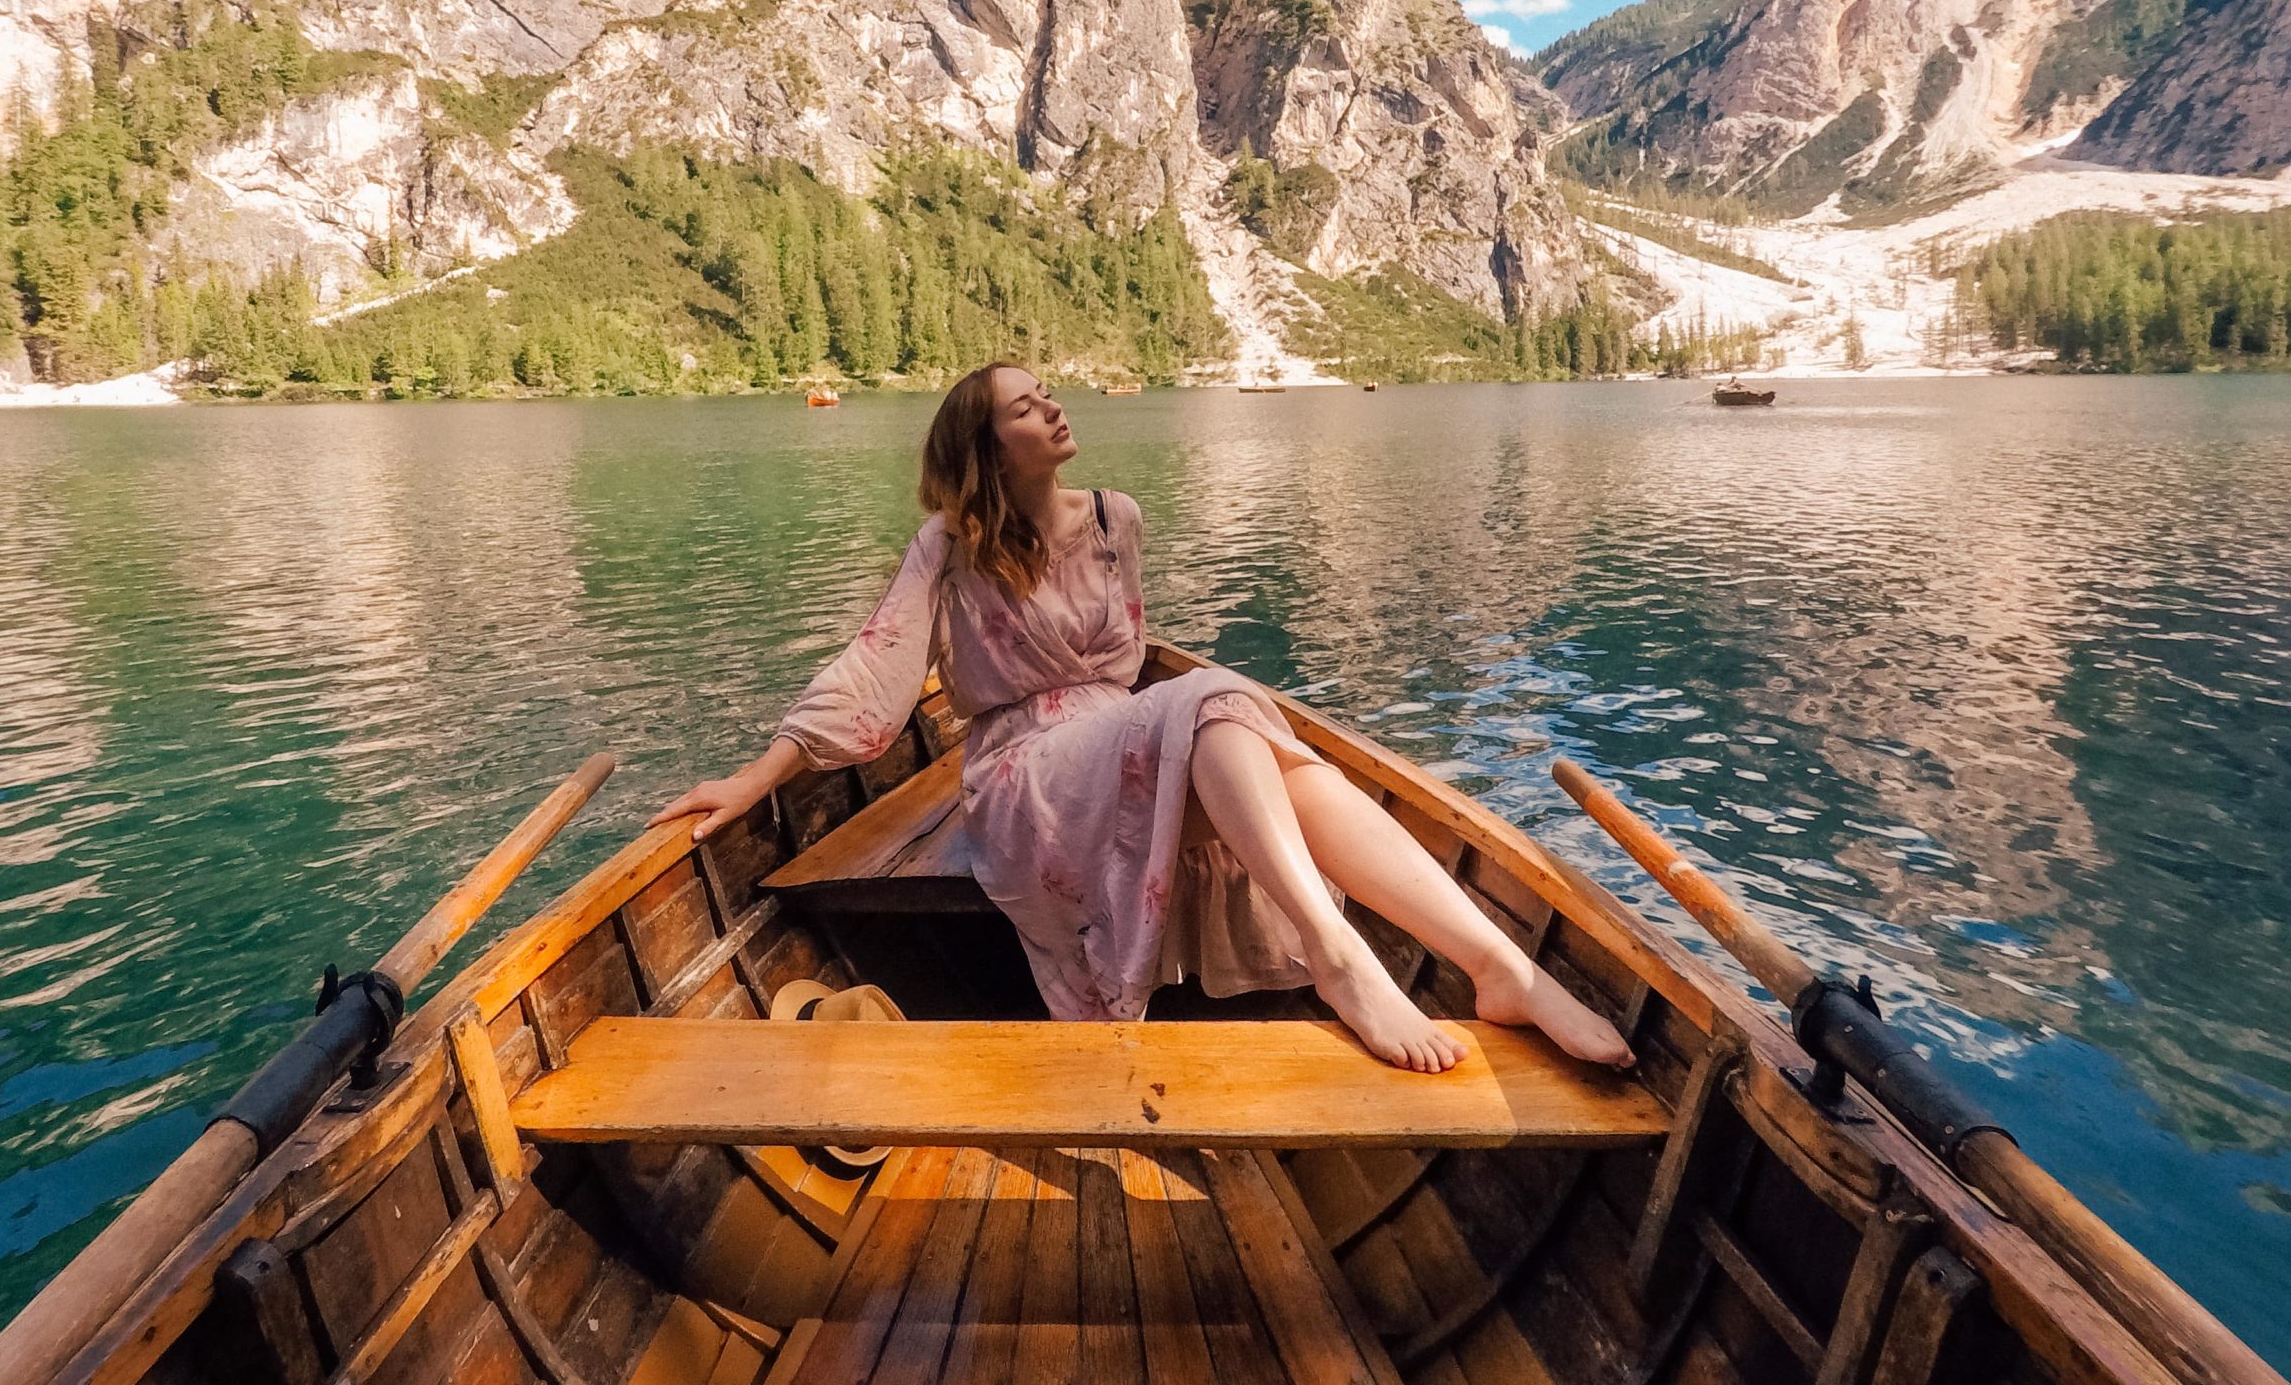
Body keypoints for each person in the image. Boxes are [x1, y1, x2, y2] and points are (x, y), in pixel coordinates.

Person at [656, 363, 1632, 1074]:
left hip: (1117, 732)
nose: (1052, 407)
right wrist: (754, 779)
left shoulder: (1118, 519)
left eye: (1048, 394)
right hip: (1021, 772)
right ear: (986, 448)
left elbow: (1122, 665)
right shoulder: (947, 547)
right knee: (1217, 704)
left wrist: (1145, 715)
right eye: (1023, 407)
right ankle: (1338, 957)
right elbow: (871, 673)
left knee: (1273, 755)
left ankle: (1501, 968)